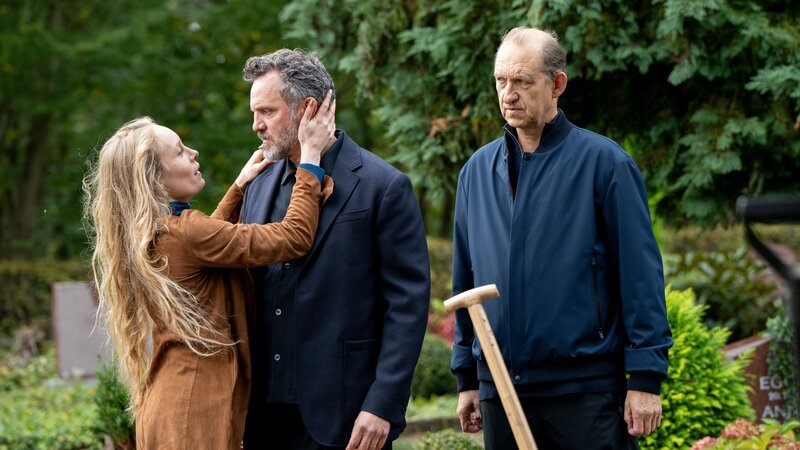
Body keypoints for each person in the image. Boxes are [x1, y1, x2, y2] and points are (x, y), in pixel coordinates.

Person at [450, 27, 673, 449]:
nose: (508, 94)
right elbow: (465, 283)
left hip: (584, 392)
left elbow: (640, 277)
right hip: (501, 390)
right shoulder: (475, 173)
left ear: (557, 84)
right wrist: (467, 376)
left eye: (522, 81)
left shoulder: (605, 164)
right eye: (501, 81)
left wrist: (645, 379)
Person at [83, 94, 335, 450]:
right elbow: (292, 238)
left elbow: (205, 255)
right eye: (180, 151)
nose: (194, 153)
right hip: (194, 410)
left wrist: (239, 187)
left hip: (172, 401)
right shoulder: (184, 232)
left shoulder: (154, 232)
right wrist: (310, 161)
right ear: (153, 177)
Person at [240, 49, 430, 450]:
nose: (256, 125)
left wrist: (382, 405)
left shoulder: (384, 186)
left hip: (345, 419)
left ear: (307, 109)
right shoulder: (257, 184)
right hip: (260, 420)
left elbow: (407, 306)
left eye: (267, 112)